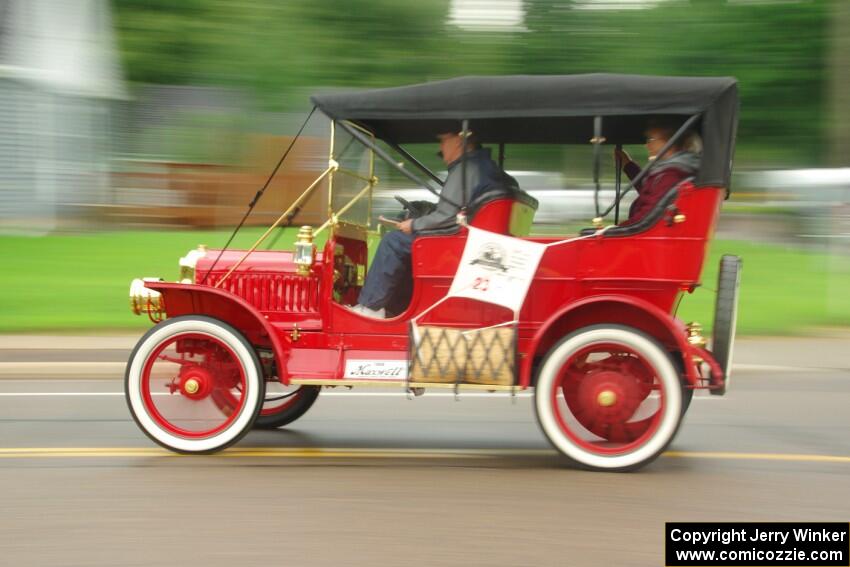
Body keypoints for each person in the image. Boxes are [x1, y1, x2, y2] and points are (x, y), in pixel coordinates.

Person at [351, 131, 517, 319]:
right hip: (475, 240)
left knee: (393, 242)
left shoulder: (466, 169)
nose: (441, 147)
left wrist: (414, 224)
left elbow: (447, 215)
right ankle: (397, 308)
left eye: (444, 140)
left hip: (458, 243)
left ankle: (370, 307)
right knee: (405, 241)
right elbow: (458, 210)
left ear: (460, 141)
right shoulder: (487, 168)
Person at [614, 120, 700, 225]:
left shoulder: (671, 174)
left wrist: (618, 229)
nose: (647, 145)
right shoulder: (671, 171)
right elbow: (649, 189)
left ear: (669, 142)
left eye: (651, 139)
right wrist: (627, 164)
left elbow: (646, 218)